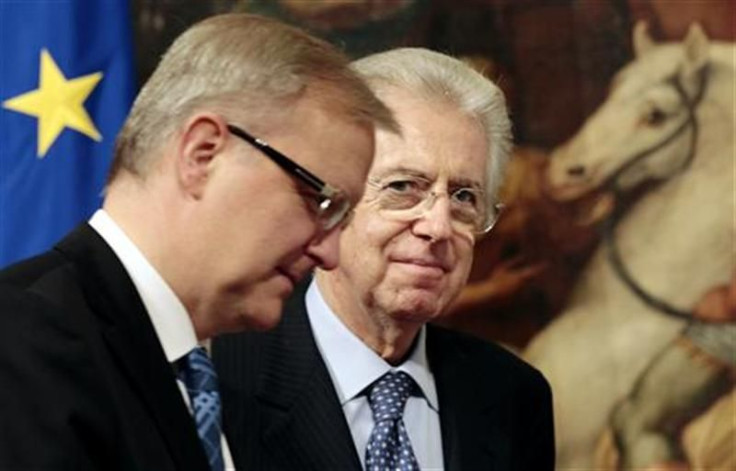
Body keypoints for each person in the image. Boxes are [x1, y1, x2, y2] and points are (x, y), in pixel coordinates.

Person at [0, 13, 396, 471]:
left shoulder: (209, 379)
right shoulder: (22, 344)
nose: (329, 253)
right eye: (320, 201)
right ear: (202, 154)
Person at [213, 47, 555, 471]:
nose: (438, 225)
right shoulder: (221, 378)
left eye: (464, 196)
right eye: (404, 187)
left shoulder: (512, 396)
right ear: (331, 199)